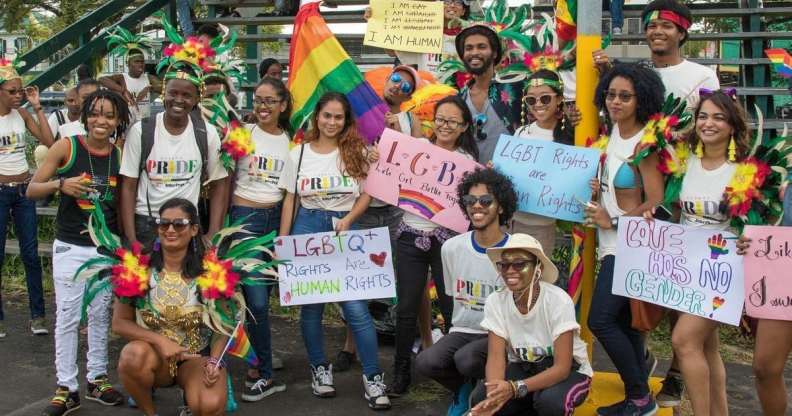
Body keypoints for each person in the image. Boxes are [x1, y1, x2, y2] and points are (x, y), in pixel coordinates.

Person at [279, 92, 391, 410]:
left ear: (346, 120)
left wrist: (349, 220)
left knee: (356, 309)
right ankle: (319, 369)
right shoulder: (298, 154)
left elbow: (367, 194)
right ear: (317, 116)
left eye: (338, 117)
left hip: (344, 229)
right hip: (306, 226)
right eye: (327, 115)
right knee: (311, 307)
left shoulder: (355, 151)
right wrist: (284, 242)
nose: (332, 122)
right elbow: (290, 199)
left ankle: (372, 377)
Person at [643, 89, 748, 415]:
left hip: (721, 271)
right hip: (686, 267)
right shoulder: (683, 164)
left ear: (732, 125)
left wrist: (750, 239)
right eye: (703, 115)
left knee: (684, 341)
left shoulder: (745, 171)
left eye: (719, 116)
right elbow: (671, 210)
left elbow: (756, 224)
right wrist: (652, 216)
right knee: (707, 347)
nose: (709, 122)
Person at [27, 89, 130, 416]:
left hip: (106, 249)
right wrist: (61, 185)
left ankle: (97, 379)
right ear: (85, 116)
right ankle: (66, 388)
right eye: (96, 113)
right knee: (69, 317)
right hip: (71, 246)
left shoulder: (119, 154)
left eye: (109, 115)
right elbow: (31, 189)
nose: (101, 120)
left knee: (101, 315)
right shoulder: (67, 147)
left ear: (117, 121)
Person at [583, 63, 666, 415]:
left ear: (641, 99)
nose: (616, 102)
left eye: (625, 96)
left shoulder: (645, 143)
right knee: (619, 321)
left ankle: (639, 397)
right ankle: (639, 388)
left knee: (599, 320)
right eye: (611, 94)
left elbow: (657, 203)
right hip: (610, 244)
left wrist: (612, 219)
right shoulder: (611, 134)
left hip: (630, 247)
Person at [389, 95, 480, 396]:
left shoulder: (468, 163)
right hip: (410, 236)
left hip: (448, 243)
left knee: (453, 306)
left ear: (464, 125)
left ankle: (454, 373)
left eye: (453, 121)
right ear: (433, 120)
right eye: (441, 119)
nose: (445, 126)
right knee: (406, 307)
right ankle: (401, 369)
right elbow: (389, 173)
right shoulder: (417, 148)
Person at [335, 65, 421, 372]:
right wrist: (364, 155)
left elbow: (416, 163)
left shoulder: (412, 120)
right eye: (396, 79)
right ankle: (350, 347)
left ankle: (396, 345)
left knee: (394, 278)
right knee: (356, 279)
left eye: (407, 86)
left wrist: (397, 132)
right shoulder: (360, 112)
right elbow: (342, 148)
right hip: (361, 208)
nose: (399, 87)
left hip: (395, 210)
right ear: (387, 79)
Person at [113, 198, 228, 416]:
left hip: (194, 358)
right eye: (164, 224)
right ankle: (150, 413)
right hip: (156, 358)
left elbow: (223, 326)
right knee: (131, 356)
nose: (170, 230)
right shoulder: (137, 269)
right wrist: (161, 341)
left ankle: (195, 397)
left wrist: (215, 361)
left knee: (209, 405)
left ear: (194, 229)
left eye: (179, 224)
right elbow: (119, 323)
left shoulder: (211, 271)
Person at [416, 168, 515, 416]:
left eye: (486, 201)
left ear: (501, 207)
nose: (476, 206)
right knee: (426, 361)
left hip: (502, 334)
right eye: (470, 201)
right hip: (463, 329)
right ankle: (463, 389)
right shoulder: (451, 247)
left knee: (466, 359)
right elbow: (452, 293)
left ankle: (485, 386)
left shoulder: (515, 249)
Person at [469, 233, 592, 416]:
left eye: (519, 264)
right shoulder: (496, 301)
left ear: (538, 267)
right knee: (481, 399)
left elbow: (562, 368)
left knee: (550, 403)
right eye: (504, 265)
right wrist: (494, 395)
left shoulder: (557, 300)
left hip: (569, 371)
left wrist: (514, 388)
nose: (509, 270)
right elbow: (495, 357)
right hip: (524, 366)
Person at [230, 77, 294, 402]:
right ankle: (267, 373)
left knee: (261, 302)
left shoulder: (291, 141)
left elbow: (290, 194)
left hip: (275, 220)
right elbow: (225, 180)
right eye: (258, 99)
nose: (263, 106)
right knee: (255, 301)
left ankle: (256, 359)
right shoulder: (242, 134)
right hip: (245, 221)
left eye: (270, 101)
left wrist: (283, 238)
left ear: (283, 105)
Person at [119, 62, 228, 248]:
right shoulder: (142, 131)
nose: (178, 100)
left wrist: (213, 233)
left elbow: (220, 183)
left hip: (187, 224)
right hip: (148, 222)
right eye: (173, 93)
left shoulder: (206, 133)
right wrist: (132, 238)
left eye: (187, 95)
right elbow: (128, 186)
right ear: (163, 93)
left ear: (196, 99)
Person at [0, 58, 54, 339]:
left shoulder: (21, 114)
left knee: (30, 254)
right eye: (12, 91)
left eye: (19, 90)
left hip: (23, 190)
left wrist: (36, 107)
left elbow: (49, 141)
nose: (17, 95)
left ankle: (37, 316)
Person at [737, 196, 792, 416]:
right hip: (784, 283)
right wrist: (752, 242)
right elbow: (778, 226)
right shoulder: (786, 178)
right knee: (765, 368)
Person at [511, 69, 574, 253]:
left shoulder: (570, 137)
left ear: (560, 99)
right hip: (509, 221)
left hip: (542, 225)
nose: (538, 104)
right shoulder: (521, 133)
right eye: (531, 100)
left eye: (545, 98)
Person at [456, 24, 524, 164]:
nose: (474, 52)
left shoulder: (517, 88)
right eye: (468, 48)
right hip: (470, 180)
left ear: (494, 53)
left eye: (481, 47)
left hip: (509, 179)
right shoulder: (459, 99)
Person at [99, 27, 161, 126]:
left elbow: (163, 87)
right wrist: (122, 90)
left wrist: (152, 88)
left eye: (142, 62)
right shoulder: (122, 78)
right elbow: (101, 79)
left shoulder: (148, 78)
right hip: (126, 123)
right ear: (128, 63)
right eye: (137, 62)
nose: (141, 64)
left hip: (143, 124)